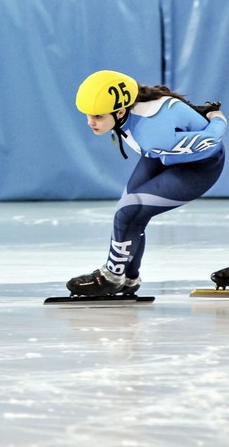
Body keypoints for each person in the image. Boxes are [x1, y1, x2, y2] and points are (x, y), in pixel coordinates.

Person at [67, 70, 226, 296]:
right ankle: (128, 277)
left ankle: (112, 277)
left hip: (200, 167)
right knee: (130, 211)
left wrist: (217, 118)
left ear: (120, 111)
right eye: (88, 115)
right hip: (163, 155)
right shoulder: (134, 105)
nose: (91, 122)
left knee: (127, 210)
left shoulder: (152, 135)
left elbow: (211, 140)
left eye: (98, 117)